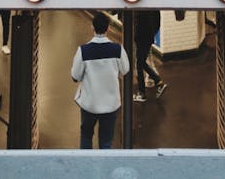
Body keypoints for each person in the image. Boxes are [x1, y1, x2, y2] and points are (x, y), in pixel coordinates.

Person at [71, 12, 129, 150]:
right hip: (110, 105)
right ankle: (104, 167)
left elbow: (75, 76)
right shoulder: (117, 49)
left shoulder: (84, 51)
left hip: (89, 104)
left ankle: (86, 167)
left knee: (86, 136)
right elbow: (125, 70)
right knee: (106, 141)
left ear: (92, 27)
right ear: (108, 28)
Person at [133, 10, 166, 102]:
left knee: (139, 65)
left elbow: (138, 25)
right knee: (141, 63)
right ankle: (158, 82)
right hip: (148, 38)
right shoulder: (151, 10)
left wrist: (135, 37)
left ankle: (142, 93)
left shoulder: (139, 12)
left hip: (141, 39)